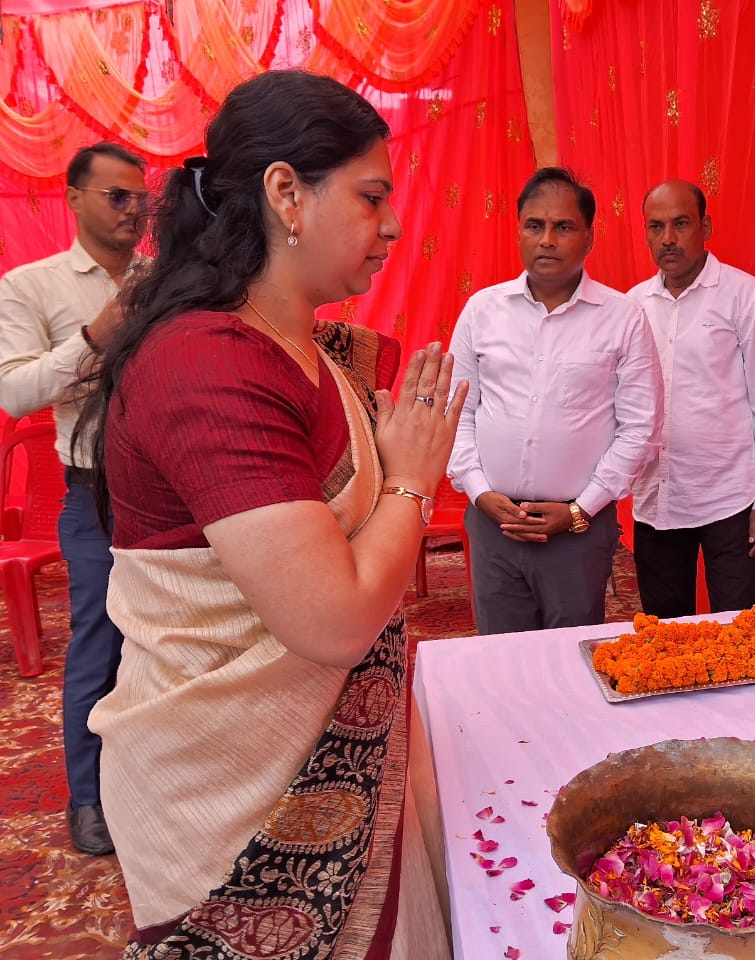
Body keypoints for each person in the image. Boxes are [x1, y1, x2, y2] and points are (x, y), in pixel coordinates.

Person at [75, 71, 465, 956]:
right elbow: (331, 621)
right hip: (229, 800)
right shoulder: (205, 365)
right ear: (286, 192)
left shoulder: (311, 351)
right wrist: (410, 481)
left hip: (324, 761)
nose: (394, 226)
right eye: (371, 198)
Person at [0, 141, 147, 855]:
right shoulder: (32, 286)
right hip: (95, 500)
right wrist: (95, 336)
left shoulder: (170, 278)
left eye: (140, 197)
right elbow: (15, 390)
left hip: (177, 497)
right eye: (116, 197)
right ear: (74, 199)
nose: (133, 210)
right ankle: (88, 799)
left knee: (179, 641)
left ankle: (163, 784)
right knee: (101, 643)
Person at [447, 166, 662, 635]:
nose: (547, 239)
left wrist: (582, 509)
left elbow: (640, 427)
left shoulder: (622, 318)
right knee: (500, 660)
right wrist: (479, 491)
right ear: (519, 232)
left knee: (570, 664)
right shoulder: (482, 311)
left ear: (588, 238)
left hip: (578, 530)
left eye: (563, 227)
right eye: (535, 225)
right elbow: (458, 411)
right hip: (493, 524)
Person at [626, 179, 755, 618]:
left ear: (706, 226)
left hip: (730, 498)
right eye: (656, 227)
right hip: (656, 497)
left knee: (738, 632)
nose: (668, 239)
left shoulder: (745, 296)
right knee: (663, 635)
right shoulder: (631, 306)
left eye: (680, 224)